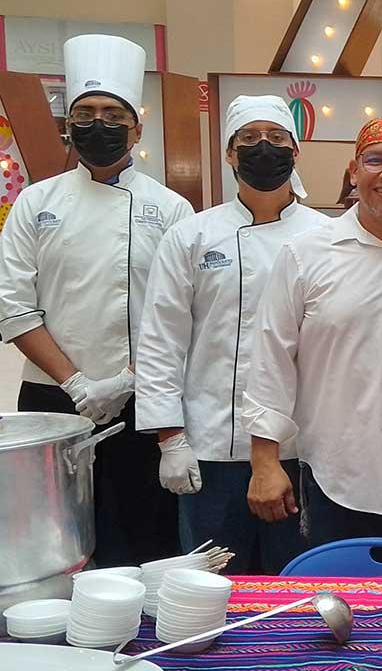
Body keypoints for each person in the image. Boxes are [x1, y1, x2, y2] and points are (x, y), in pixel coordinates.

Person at [0, 34, 193, 565]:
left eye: (112, 113)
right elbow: (13, 305)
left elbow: (180, 313)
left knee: (141, 535)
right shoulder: (36, 203)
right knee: (53, 537)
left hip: (143, 400)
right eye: (85, 112)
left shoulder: (172, 209)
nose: (98, 124)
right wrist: (77, 383)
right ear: (69, 123)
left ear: (136, 127)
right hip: (52, 398)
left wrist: (126, 380)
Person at [242, 116, 382, 546]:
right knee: (338, 604)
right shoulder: (306, 254)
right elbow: (271, 358)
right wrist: (264, 461)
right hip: (335, 473)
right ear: (354, 170)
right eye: (376, 160)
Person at [135, 95, 328, 573]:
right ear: (229, 153)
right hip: (210, 445)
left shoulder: (327, 236)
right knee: (212, 588)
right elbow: (161, 340)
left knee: (294, 589)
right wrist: (170, 439)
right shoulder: (192, 236)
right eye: (249, 139)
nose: (264, 148)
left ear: (296, 150)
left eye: (277, 138)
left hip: (299, 449)